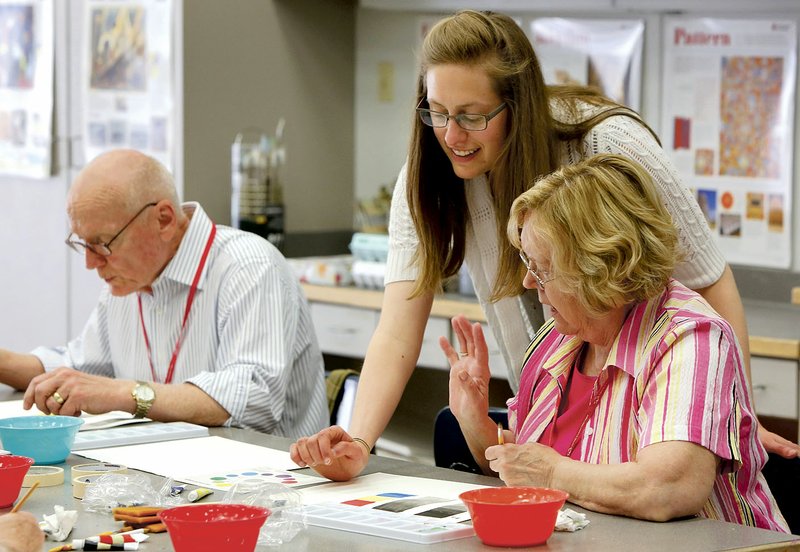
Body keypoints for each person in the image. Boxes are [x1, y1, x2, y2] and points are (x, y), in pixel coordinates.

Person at [290, 9, 798, 480]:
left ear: (518, 105)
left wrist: (736, 416)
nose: (452, 135)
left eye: (472, 115)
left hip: (652, 408)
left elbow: (709, 280)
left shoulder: (607, 146)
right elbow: (398, 331)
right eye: (438, 111)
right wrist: (359, 441)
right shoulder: (430, 174)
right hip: (561, 417)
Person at [443, 154, 788, 531]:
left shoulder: (688, 337)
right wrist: (473, 420)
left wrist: (552, 473)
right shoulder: (556, 342)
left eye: (541, 268)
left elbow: (668, 489)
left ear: (597, 268)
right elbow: (524, 470)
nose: (528, 283)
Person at [0, 149, 328, 438]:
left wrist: (126, 393)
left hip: (265, 487)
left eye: (102, 243)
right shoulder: (129, 277)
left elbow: (254, 400)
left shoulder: (248, 267)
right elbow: (80, 371)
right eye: (83, 244)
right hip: (173, 475)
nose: (90, 262)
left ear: (164, 219)